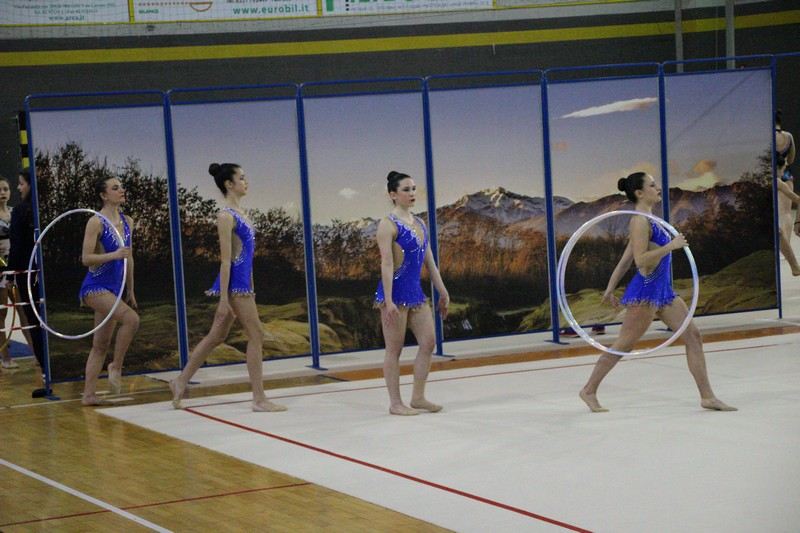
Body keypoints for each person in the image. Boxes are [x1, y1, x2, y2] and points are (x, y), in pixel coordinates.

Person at [578, 172, 736, 413]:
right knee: (624, 345)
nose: (658, 188)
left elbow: (625, 260)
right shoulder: (639, 221)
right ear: (640, 193)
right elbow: (641, 261)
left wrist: (610, 287)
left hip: (663, 292)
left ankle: (707, 396)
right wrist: (671, 246)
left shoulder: (648, 219)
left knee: (693, 336)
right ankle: (588, 389)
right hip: (646, 293)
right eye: (653, 185)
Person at [170, 163, 285, 413]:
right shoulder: (225, 216)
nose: (246, 182)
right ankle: (258, 398)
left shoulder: (242, 213)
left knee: (216, 336)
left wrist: (251, 285)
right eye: (241, 178)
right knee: (257, 335)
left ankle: (179, 381)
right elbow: (225, 260)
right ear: (228, 184)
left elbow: (248, 256)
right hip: (234, 284)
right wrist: (223, 299)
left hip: (244, 284)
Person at [374, 171, 449, 416]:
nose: (412, 193)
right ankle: (395, 403)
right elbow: (386, 263)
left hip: (415, 294)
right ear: (393, 195)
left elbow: (429, 262)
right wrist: (388, 299)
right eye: (406, 189)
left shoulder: (420, 224)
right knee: (394, 349)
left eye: (414, 189)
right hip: (394, 294)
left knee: (428, 342)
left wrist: (442, 290)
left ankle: (418, 397)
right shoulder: (387, 224)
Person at [79, 176, 139, 406]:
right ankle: (116, 365)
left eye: (121, 186)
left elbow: (129, 258)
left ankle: (88, 395)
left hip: (114, 289)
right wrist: (113, 255)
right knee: (132, 320)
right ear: (104, 195)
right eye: (115, 188)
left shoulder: (128, 222)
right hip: (95, 287)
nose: (121, 190)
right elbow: (86, 258)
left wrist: (130, 289)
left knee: (100, 344)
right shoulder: (96, 222)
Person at [6, 171, 49, 397]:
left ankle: (47, 370)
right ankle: (46, 369)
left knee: (34, 321)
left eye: (21, 184)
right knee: (35, 320)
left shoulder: (22, 210)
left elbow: (17, 246)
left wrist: (11, 274)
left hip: (29, 273)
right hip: (37, 272)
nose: (18, 189)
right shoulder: (40, 207)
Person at [775, 110, 800, 275]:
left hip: (773, 173)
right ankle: (788, 245)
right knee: (786, 213)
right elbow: (791, 159)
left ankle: (785, 249)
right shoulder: (788, 137)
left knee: (778, 214)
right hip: (785, 173)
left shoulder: (767, 137)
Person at [0, 176, 16, 369]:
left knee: (24, 310)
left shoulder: (14, 213)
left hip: (17, 266)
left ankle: (39, 358)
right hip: (1, 267)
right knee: (2, 313)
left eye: (5, 189)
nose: (2, 193)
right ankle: (5, 357)